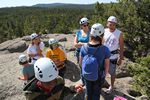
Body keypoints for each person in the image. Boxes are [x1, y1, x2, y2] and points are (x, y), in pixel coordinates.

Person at [78, 23, 111, 100]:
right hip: (98, 76)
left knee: (88, 93)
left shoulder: (84, 47)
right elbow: (107, 66)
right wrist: (104, 75)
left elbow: (80, 63)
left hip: (86, 75)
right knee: (96, 94)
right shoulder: (105, 49)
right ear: (102, 35)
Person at [103, 16, 124, 93]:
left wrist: (120, 57)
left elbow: (121, 45)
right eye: (110, 24)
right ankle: (101, 83)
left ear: (115, 24)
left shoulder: (119, 33)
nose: (112, 26)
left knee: (112, 72)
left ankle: (111, 86)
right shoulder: (104, 31)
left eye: (113, 24)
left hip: (113, 56)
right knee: (102, 70)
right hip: (104, 55)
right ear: (107, 23)